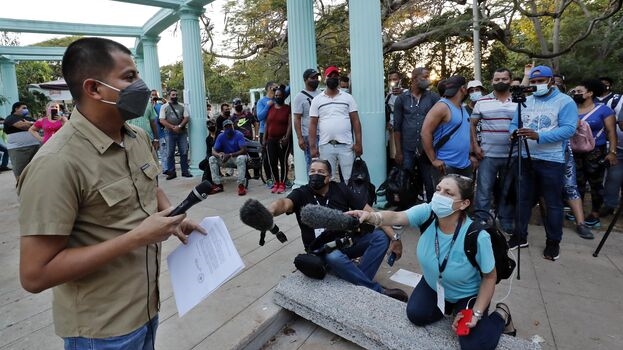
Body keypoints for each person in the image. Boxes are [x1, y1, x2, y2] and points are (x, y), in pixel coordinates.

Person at [17, 37, 205, 349]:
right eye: (130, 77)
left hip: (145, 309)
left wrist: (170, 216)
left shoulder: (136, 137)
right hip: (101, 331)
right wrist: (136, 237)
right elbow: (35, 275)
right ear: (94, 88)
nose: (143, 86)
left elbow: (150, 185)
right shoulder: (57, 163)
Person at [347, 174, 515, 350]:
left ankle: (501, 315)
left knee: (472, 345)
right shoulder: (428, 213)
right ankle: (450, 307)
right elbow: (397, 217)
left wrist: (476, 313)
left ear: (464, 203)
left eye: (448, 193)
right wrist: (371, 217)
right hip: (434, 284)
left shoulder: (477, 236)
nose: (439, 196)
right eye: (438, 189)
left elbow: (489, 278)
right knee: (416, 315)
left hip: (466, 292)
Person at [267, 158, 407, 301]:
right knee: (334, 256)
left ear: (329, 177)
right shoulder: (301, 193)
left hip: (344, 242)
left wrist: (395, 238)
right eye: (312, 171)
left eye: (320, 172)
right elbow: (283, 204)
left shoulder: (340, 189)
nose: (315, 175)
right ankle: (375, 290)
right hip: (320, 250)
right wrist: (269, 211)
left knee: (380, 237)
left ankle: (358, 280)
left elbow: (373, 214)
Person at [508, 65, 577, 261]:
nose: (537, 85)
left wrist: (539, 136)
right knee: (522, 200)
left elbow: (569, 129)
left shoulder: (565, 101)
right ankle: (519, 236)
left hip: (552, 160)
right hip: (525, 157)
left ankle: (553, 242)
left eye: (541, 81)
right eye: (534, 82)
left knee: (552, 203)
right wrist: (513, 132)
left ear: (551, 81)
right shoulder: (525, 100)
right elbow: (514, 123)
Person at [470, 68, 516, 234]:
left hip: (513, 154)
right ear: (492, 81)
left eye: (504, 79)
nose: (500, 82)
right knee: (484, 189)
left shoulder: (519, 101)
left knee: (507, 188)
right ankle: (481, 219)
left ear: (510, 80)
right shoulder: (482, 101)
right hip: (488, 154)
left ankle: (505, 219)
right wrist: (475, 146)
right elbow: (473, 125)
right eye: (497, 79)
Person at [568, 79, 618, 228]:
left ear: (590, 93)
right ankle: (579, 211)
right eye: (574, 92)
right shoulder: (571, 109)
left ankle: (595, 213)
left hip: (595, 152)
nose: (576, 94)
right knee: (578, 182)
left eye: (579, 91)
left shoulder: (604, 110)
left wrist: (612, 152)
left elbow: (611, 132)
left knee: (595, 184)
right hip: (575, 151)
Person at [309, 66, 363, 183]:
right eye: (330, 76)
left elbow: (356, 121)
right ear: (325, 78)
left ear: (339, 79)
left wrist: (358, 143)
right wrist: (312, 146)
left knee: (350, 179)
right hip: (326, 145)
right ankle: (332, 201)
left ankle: (349, 201)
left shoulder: (348, 98)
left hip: (346, 146)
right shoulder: (317, 100)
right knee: (328, 178)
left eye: (335, 76)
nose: (333, 78)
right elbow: (313, 124)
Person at [393, 67, 440, 202]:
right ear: (414, 78)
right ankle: (407, 208)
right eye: (425, 77)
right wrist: (398, 151)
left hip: (427, 148)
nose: (428, 80)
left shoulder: (433, 97)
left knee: (429, 180)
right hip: (407, 148)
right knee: (406, 180)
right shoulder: (402, 99)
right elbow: (397, 127)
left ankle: (432, 210)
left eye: (428, 76)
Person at [421, 75, 475, 185]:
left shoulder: (461, 108)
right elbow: (425, 132)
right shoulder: (442, 106)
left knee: (463, 201)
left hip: (465, 164)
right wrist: (434, 160)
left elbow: (463, 134)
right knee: (445, 201)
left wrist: (471, 156)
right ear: (462, 89)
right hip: (446, 166)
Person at [208, 119, 248, 196]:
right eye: (226, 127)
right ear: (223, 128)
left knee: (241, 158)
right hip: (226, 158)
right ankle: (217, 185)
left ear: (233, 126)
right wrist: (220, 155)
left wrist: (230, 154)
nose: (229, 128)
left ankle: (241, 185)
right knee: (212, 159)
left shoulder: (238, 134)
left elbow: (244, 150)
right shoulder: (221, 136)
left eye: (230, 126)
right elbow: (213, 151)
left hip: (236, 157)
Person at [159, 89, 191, 179]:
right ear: (169, 96)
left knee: (184, 152)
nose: (175, 96)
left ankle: (185, 171)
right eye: (173, 95)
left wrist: (179, 126)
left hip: (182, 132)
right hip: (169, 132)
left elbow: (187, 117)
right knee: (170, 153)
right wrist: (173, 127)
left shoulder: (182, 106)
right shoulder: (164, 107)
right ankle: (172, 172)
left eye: (176, 95)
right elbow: (162, 120)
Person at [264, 88, 292, 194]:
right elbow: (267, 124)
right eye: (276, 95)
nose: (277, 97)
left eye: (279, 95)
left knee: (283, 161)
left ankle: (283, 183)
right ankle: (276, 182)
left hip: (282, 140)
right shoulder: (271, 108)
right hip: (271, 139)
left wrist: (287, 136)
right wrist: (264, 138)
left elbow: (290, 123)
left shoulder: (287, 108)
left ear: (283, 96)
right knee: (272, 162)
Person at [293, 68, 321, 173]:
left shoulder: (321, 94)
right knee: (312, 164)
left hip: (323, 133)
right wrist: (300, 138)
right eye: (312, 78)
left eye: (316, 77)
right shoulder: (299, 97)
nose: (316, 80)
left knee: (324, 163)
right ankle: (312, 187)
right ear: (305, 80)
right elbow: (297, 118)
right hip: (309, 135)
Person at [4, 101, 40, 179]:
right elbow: (22, 126)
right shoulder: (10, 118)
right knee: (20, 170)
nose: (26, 110)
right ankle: (20, 188)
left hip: (35, 147)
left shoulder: (28, 118)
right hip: (19, 149)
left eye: (26, 108)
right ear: (16, 109)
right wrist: (32, 124)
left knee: (35, 169)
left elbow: (39, 126)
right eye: (24, 108)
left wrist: (30, 123)